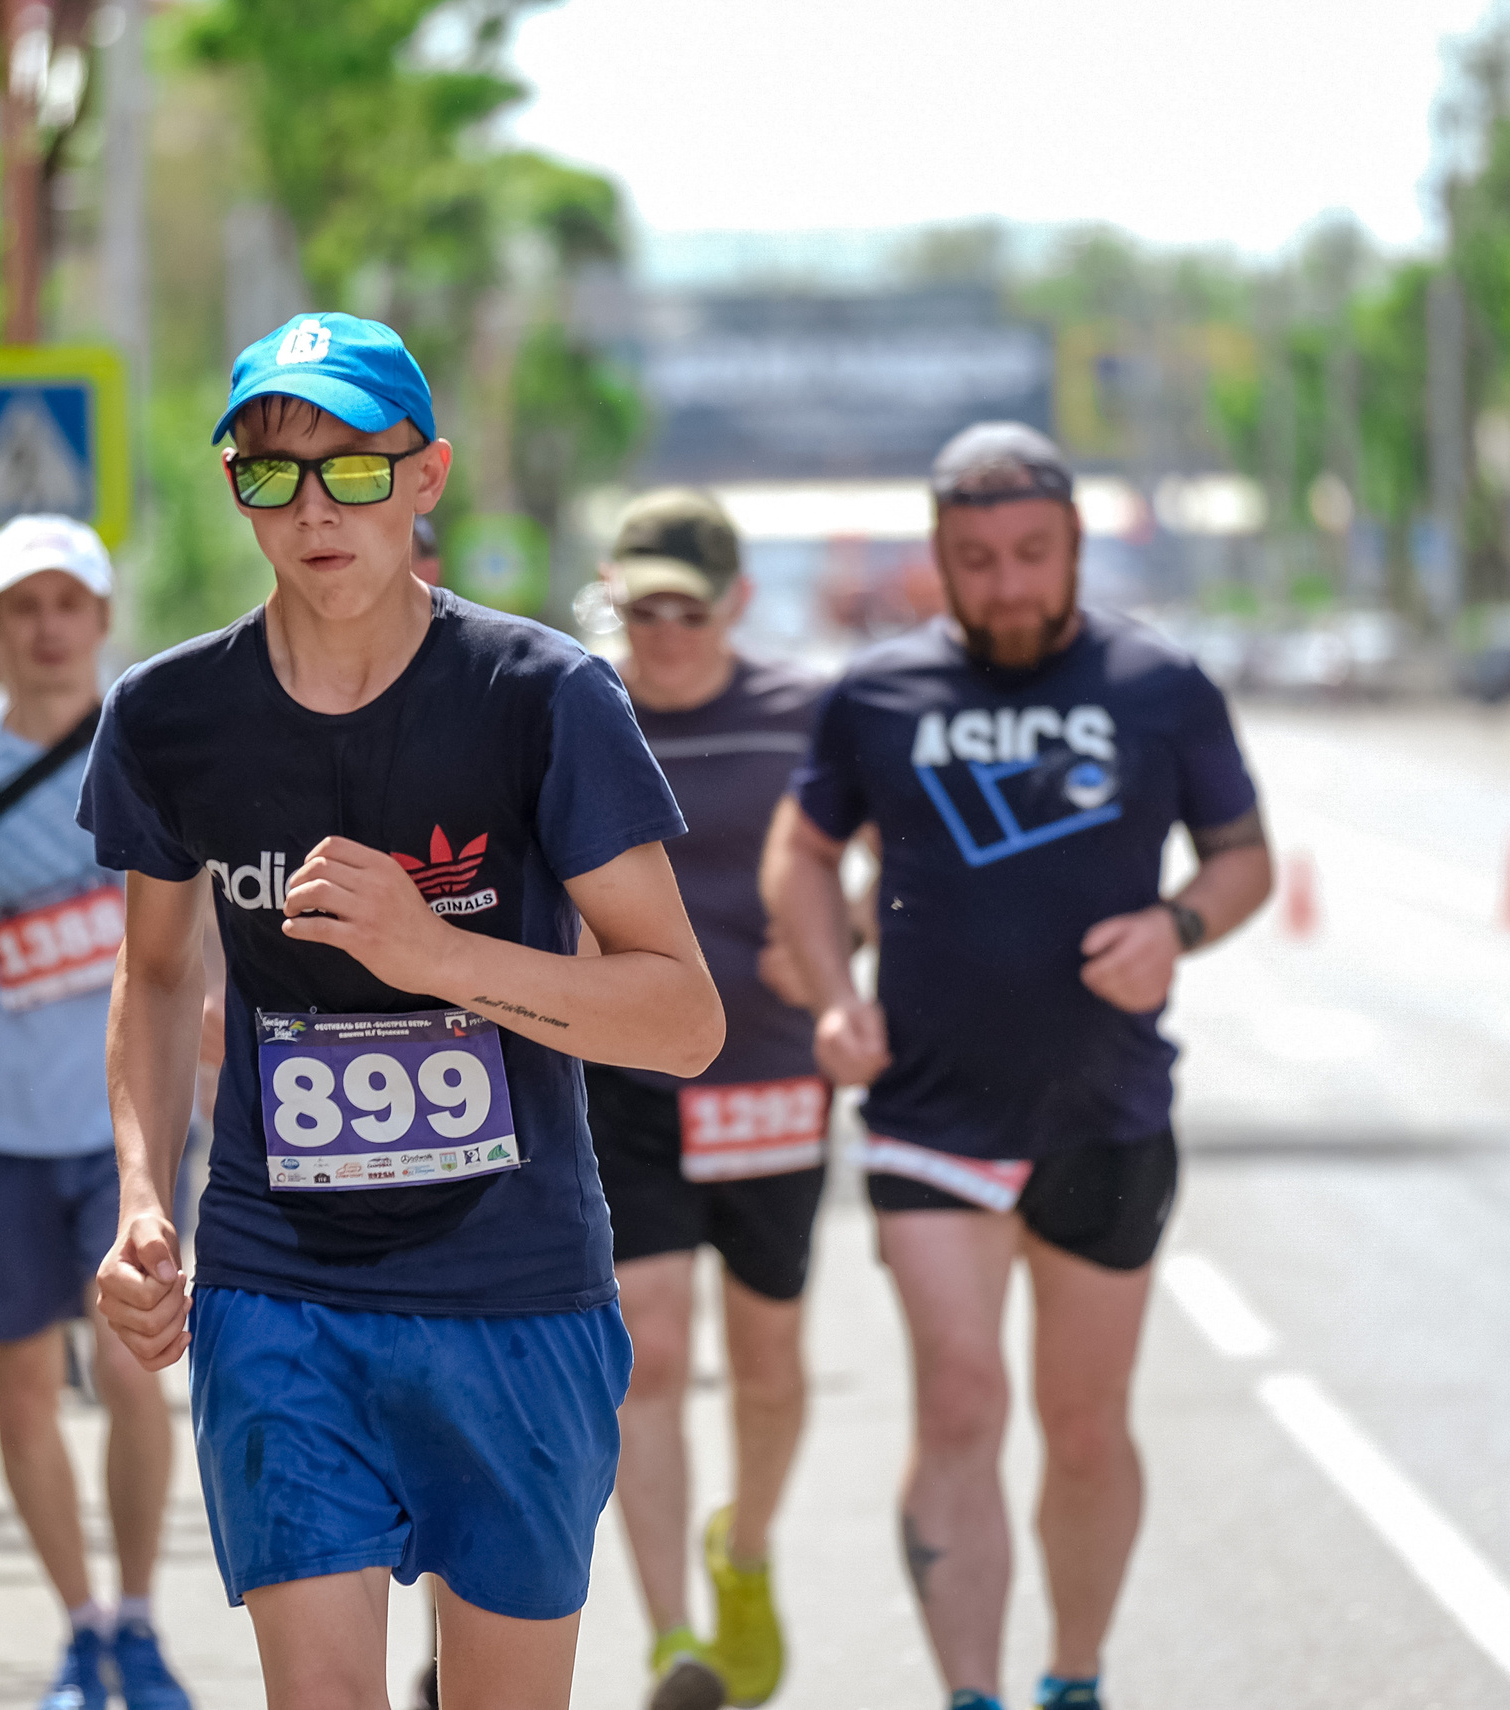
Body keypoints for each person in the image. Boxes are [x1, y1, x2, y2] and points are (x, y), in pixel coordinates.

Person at [80, 313, 727, 1710]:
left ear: (425, 478)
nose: (315, 510)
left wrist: (435, 955)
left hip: (515, 1289)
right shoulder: (168, 715)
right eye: (273, 473)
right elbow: (159, 972)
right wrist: (144, 1197)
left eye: (354, 472)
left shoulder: (541, 697)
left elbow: (681, 1018)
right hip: (279, 1283)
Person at [763, 423, 1272, 1710]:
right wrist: (833, 1000)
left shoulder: (1161, 685)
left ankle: (1075, 1676)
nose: (1005, 585)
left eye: (1030, 555)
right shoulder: (876, 694)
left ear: (1073, 549)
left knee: (1085, 1426)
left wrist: (1178, 926)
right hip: (932, 1110)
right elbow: (801, 856)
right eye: (977, 559)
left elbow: (1242, 856)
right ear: (939, 558)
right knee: (958, 1405)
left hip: (1105, 1109)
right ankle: (972, 1695)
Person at [0, 515, 192, 1710]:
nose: (44, 628)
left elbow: (202, 902)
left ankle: (138, 1616)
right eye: (19, 607)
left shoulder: (157, 735)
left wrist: (222, 1000)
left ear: (100, 619)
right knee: (22, 1388)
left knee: (132, 1375)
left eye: (65, 604)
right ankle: (80, 1629)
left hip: (125, 1129)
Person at [585, 490, 829, 1710]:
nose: (665, 627)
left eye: (688, 603)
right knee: (654, 1354)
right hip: (625, 1080)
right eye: (644, 603)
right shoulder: (579, 709)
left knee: (772, 1361)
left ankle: (744, 1552)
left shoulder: (801, 715)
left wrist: (841, 950)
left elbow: (872, 858)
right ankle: (672, 1637)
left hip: (771, 1077)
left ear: (733, 601)